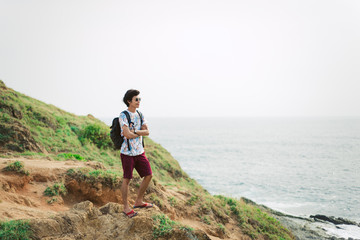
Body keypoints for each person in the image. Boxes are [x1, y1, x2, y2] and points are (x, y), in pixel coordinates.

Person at [119, 89, 153, 218]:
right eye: (136, 99)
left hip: (139, 152)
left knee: (148, 175)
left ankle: (139, 201)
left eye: (139, 99)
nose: (139, 101)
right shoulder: (123, 115)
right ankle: (126, 207)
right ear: (129, 101)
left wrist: (136, 132)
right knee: (127, 179)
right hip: (127, 153)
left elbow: (147, 132)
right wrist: (138, 132)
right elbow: (126, 134)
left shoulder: (140, 114)